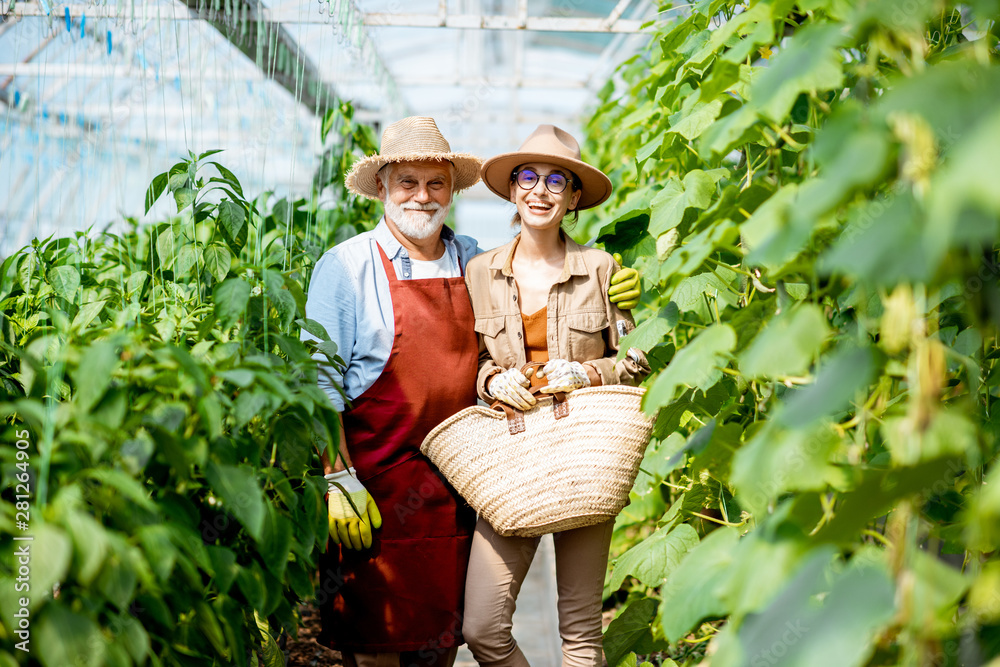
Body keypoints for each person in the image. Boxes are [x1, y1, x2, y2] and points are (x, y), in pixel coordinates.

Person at [301, 117, 641, 667]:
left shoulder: (472, 261)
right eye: (407, 182)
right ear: (383, 186)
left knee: (446, 642)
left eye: (436, 183)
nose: (422, 196)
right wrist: (336, 475)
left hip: (465, 485)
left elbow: (503, 346)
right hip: (378, 492)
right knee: (379, 646)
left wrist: (622, 304)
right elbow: (316, 381)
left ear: (453, 192)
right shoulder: (347, 267)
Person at [460, 124, 650, 667]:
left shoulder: (603, 268)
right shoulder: (480, 272)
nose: (539, 190)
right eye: (528, 176)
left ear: (572, 198)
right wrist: (493, 380)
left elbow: (639, 357)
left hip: (584, 450)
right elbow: (467, 361)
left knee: (582, 636)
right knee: (483, 626)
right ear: (513, 191)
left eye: (555, 180)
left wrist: (586, 374)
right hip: (512, 454)